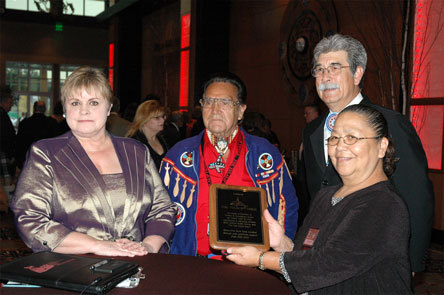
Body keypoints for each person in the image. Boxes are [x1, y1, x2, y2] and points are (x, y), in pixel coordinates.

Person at [228, 105, 412, 294]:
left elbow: (328, 263)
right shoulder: (326, 195)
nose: (340, 147)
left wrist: (260, 258)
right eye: (334, 138)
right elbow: (306, 255)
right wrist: (280, 242)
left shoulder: (384, 203)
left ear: (381, 146)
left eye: (351, 137)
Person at [301, 33, 434, 273]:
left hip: (375, 256)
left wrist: (411, 263)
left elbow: (416, 196)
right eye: (319, 70)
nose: (325, 77)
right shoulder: (312, 130)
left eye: (334, 67)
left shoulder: (390, 124)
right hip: (322, 257)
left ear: (357, 73)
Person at [11, 66, 176, 257]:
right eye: (75, 103)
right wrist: (98, 245)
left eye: (94, 102)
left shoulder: (137, 151)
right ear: (65, 108)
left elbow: (162, 208)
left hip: (138, 268)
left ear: (109, 108)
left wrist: (147, 246)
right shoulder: (47, 153)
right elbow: (30, 219)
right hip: (74, 272)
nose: (84, 111)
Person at [159, 72, 299, 257]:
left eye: (225, 103)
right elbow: (158, 212)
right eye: (208, 102)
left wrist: (277, 259)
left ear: (241, 110)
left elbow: (287, 208)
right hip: (190, 264)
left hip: (250, 265)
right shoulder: (178, 155)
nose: (215, 109)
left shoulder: (264, 155)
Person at [126, 100, 169, 170]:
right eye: (157, 118)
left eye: (163, 116)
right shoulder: (133, 142)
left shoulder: (163, 139)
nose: (163, 120)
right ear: (144, 119)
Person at [15, 100, 59, 169]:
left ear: (34, 109)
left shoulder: (24, 123)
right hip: (46, 161)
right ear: (44, 109)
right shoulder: (51, 123)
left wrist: (20, 161)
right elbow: (56, 144)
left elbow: (19, 144)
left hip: (29, 160)